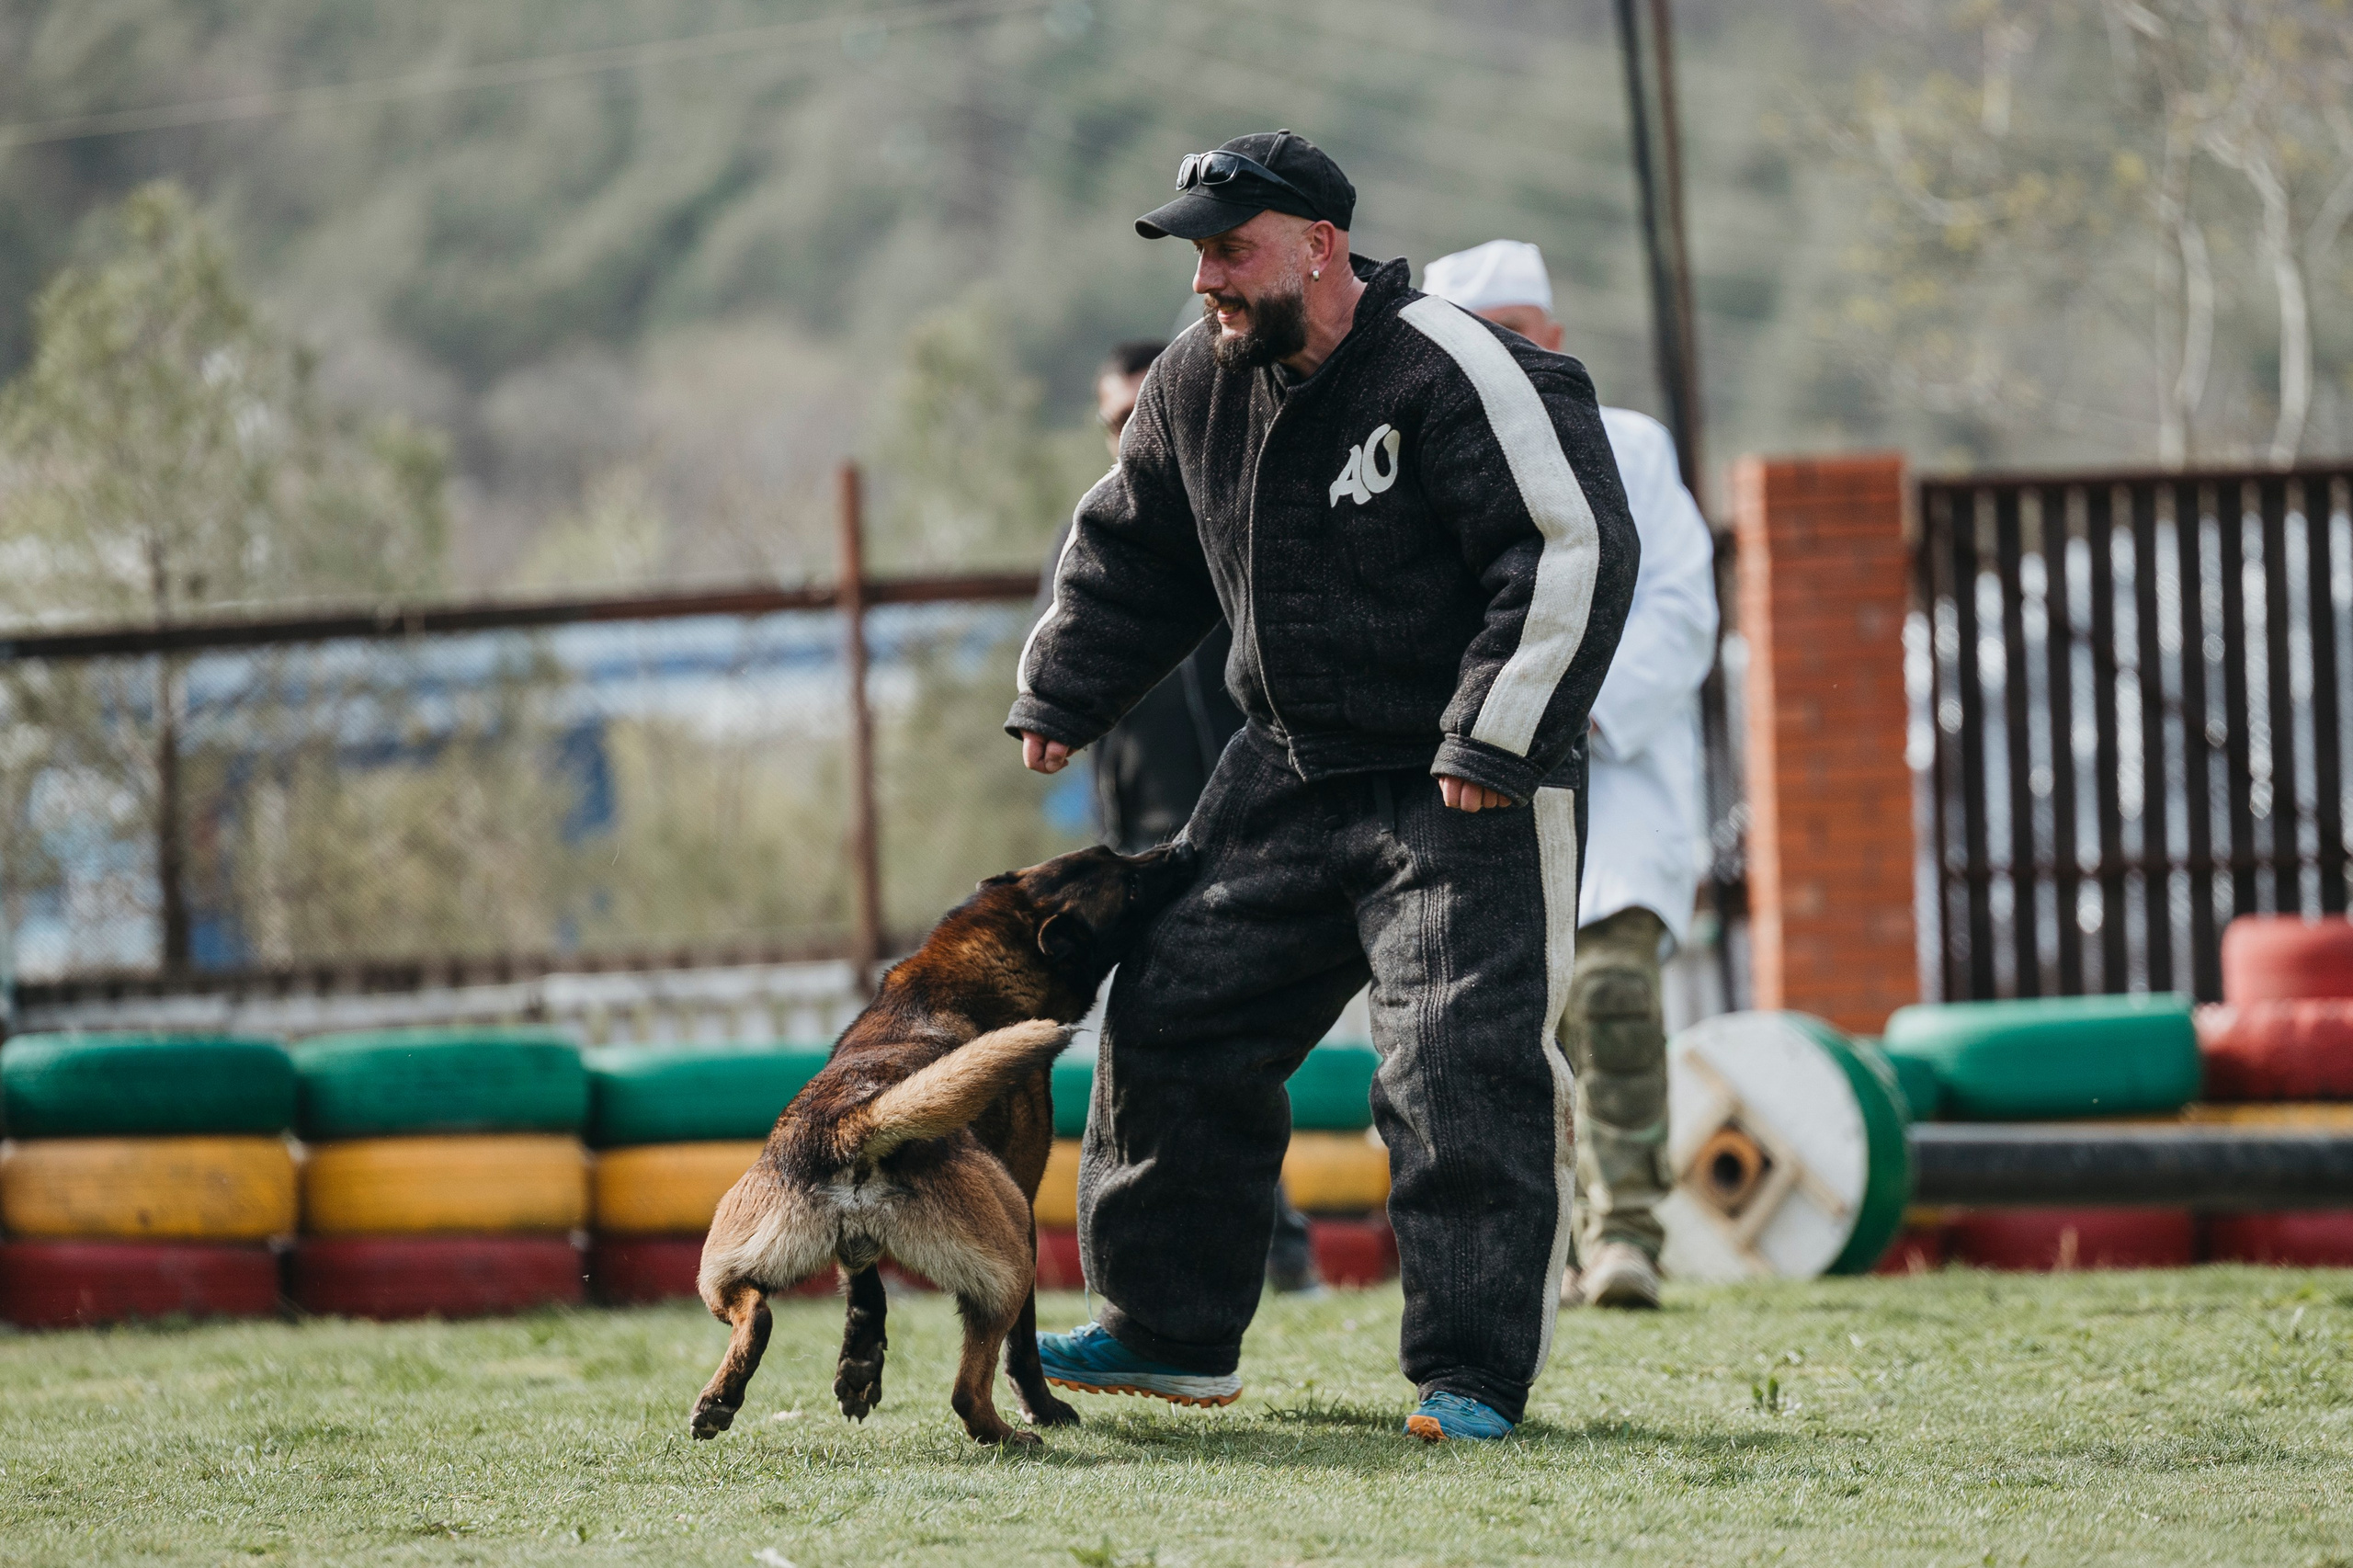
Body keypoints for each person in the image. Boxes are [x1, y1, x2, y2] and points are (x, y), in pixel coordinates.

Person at [1008, 131, 1639, 1441]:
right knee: (1174, 1002)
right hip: (1287, 764)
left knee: (1453, 1062)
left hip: (1460, 776)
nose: (1206, 280)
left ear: (1320, 246)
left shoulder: (1458, 368)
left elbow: (1569, 547)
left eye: (1230, 251)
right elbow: (1133, 548)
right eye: (1197, 255)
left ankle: (1471, 1375)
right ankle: (1168, 1330)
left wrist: (1493, 737)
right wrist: (1066, 690)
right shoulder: (1194, 384)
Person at [1421, 239, 1720, 1311]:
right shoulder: (1433, 452)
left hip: (1614, 766)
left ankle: (1626, 1228)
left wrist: (1573, 700)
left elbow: (1682, 607)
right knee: (1489, 1019)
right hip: (1476, 771)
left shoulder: (1630, 446)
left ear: (1552, 337)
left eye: (1516, 333)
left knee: (1610, 993)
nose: (1503, 353)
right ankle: (1529, 1243)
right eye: (1479, 337)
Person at [1041, 339, 1323, 1295]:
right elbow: (1068, 661)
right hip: (1142, 841)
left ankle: (1275, 1250)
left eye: (1139, 416)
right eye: (1112, 422)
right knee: (1167, 1038)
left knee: (1235, 1033)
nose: (1126, 437)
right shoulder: (1092, 537)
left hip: (1243, 814)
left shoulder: (1239, 508)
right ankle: (1186, 1265)